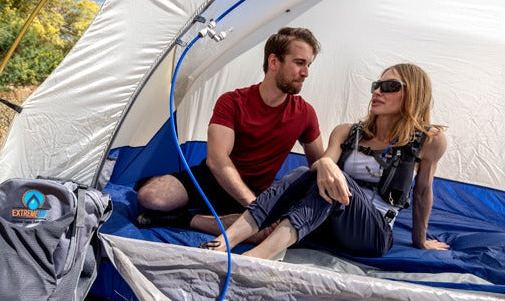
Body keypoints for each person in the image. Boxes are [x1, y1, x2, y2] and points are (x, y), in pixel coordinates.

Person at [201, 63, 450, 259]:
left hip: (372, 235)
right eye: (377, 85)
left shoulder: (429, 140)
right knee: (304, 173)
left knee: (336, 185)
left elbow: (423, 191)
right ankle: (223, 242)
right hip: (325, 226)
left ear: (413, 93)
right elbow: (319, 166)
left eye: (389, 86)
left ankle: (257, 257)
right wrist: (327, 164)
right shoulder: (346, 132)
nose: (377, 91)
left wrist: (421, 240)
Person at [135, 27, 325, 236]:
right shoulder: (232, 102)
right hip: (213, 179)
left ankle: (185, 219)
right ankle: (211, 214)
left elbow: (317, 164)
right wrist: (253, 206)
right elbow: (217, 160)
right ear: (273, 62)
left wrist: (328, 169)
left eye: (308, 65)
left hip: (256, 190)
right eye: (299, 63)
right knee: (150, 196)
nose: (306, 72)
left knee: (268, 234)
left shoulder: (305, 113)